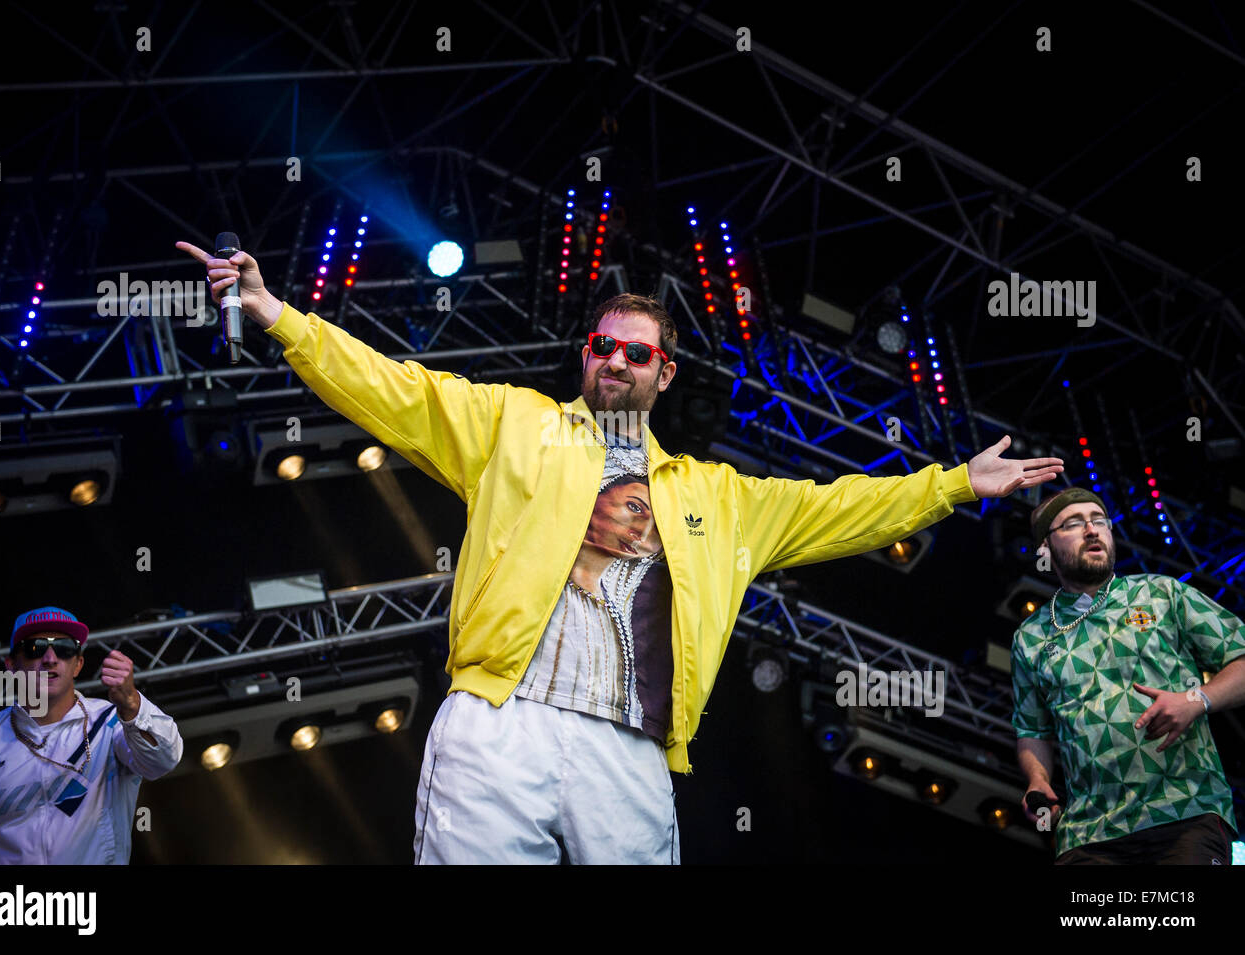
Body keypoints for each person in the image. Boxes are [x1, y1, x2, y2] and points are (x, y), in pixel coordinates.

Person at [178, 240, 1063, 863]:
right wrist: (279, 315)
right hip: (502, 717)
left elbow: (841, 506)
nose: (616, 362)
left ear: (663, 373)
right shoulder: (513, 424)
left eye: (637, 353)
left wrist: (953, 484)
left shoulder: (719, 496)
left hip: (629, 744)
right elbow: (393, 389)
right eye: (603, 346)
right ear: (586, 355)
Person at [1012, 488, 1245, 864]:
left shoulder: (1161, 594)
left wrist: (1196, 699)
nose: (1092, 530)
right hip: (1088, 834)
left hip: (1184, 812)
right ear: (1044, 548)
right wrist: (1037, 780)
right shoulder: (1031, 637)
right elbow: (1032, 731)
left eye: (1099, 520)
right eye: (1073, 523)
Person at [0, 607, 183, 864]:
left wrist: (132, 704)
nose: (50, 658)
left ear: (78, 664)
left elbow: (162, 761)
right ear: (12, 665)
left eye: (64, 648)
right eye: (35, 648)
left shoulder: (111, 723)